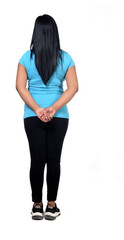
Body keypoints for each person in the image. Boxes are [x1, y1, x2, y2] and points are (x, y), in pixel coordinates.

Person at [16, 14, 79, 221]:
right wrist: (52, 109)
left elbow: (20, 87)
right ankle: (51, 206)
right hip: (59, 116)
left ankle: (36, 206)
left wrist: (37, 109)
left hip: (32, 116)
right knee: (54, 160)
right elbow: (73, 88)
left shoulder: (26, 58)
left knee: (37, 160)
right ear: (54, 33)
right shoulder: (66, 58)